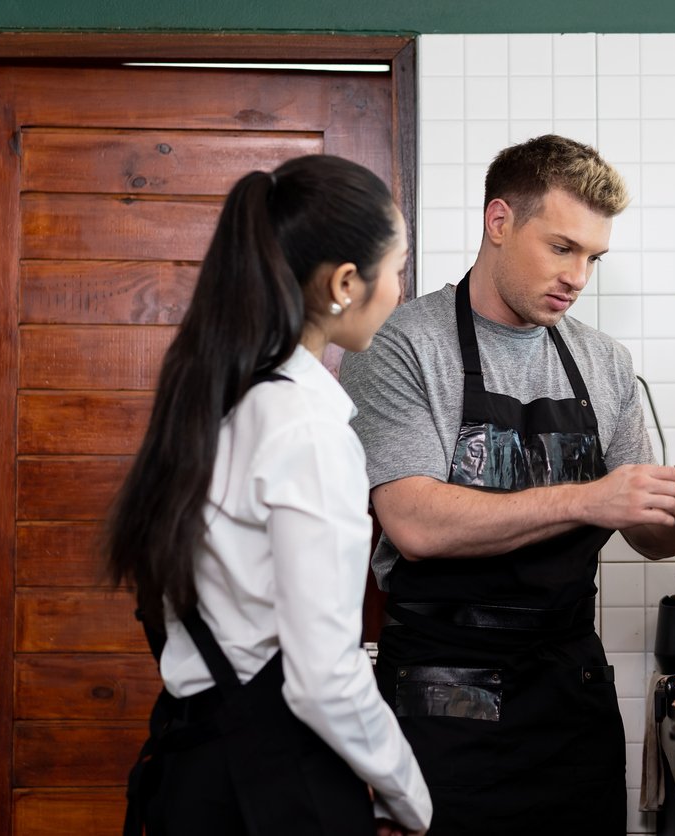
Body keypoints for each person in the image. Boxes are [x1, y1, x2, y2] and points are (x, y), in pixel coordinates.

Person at [339, 134, 675, 834]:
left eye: (593, 257)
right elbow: (415, 524)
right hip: (446, 701)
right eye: (562, 248)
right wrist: (590, 496)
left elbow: (650, 535)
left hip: (569, 698)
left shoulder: (603, 362)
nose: (578, 276)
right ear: (499, 221)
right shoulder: (405, 344)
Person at [106, 154, 431, 836]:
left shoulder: (215, 399)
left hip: (188, 774)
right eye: (397, 268)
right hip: (268, 785)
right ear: (346, 282)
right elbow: (325, 677)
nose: (400, 289)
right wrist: (410, 797)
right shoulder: (308, 430)